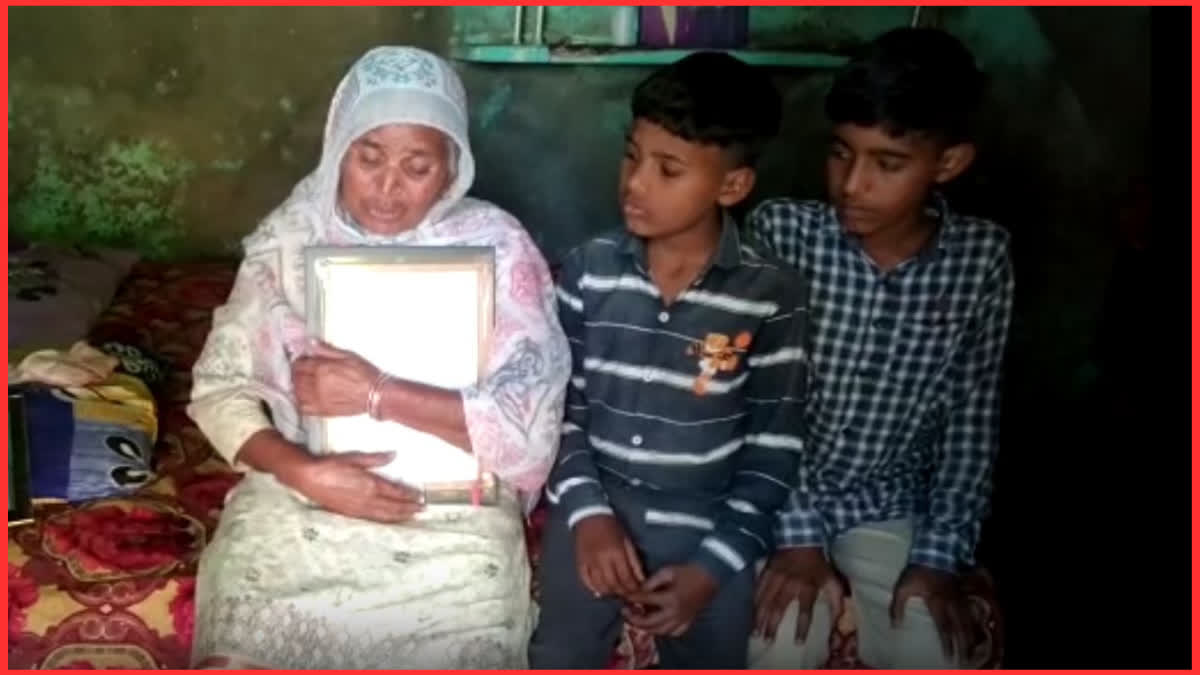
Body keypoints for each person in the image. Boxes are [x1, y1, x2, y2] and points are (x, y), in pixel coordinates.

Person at [186, 46, 571, 669]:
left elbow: (530, 421)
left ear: (452, 170)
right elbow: (219, 389)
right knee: (245, 627)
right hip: (302, 499)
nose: (388, 188)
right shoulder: (292, 237)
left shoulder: (496, 248)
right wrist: (302, 470)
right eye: (368, 159)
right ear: (338, 150)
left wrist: (376, 394)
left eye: (417, 166)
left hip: (451, 515)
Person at [528, 52, 807, 669]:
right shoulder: (590, 270)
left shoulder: (768, 294)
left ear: (731, 187)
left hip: (708, 519)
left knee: (713, 650)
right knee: (560, 652)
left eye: (668, 170)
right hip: (600, 504)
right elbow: (560, 412)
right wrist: (590, 516)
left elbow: (773, 447)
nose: (635, 182)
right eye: (632, 155)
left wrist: (712, 568)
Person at [746, 28, 1014, 669]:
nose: (852, 184)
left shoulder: (981, 260)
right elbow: (764, 400)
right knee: (779, 645)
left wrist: (938, 556)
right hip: (781, 494)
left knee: (930, 649)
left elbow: (970, 423)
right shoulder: (783, 233)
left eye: (887, 164)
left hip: (890, 506)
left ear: (947, 164)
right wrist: (800, 539)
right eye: (841, 154)